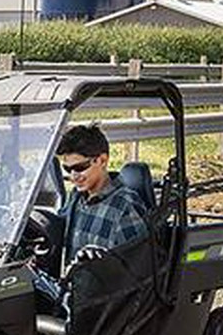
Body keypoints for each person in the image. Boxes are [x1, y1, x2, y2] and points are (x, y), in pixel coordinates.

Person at [34, 124, 150, 308]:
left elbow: (137, 273)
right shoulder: (76, 197)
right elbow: (56, 228)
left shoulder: (125, 206)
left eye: (80, 167)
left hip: (101, 309)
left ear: (102, 160)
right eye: (67, 169)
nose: (73, 176)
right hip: (69, 296)